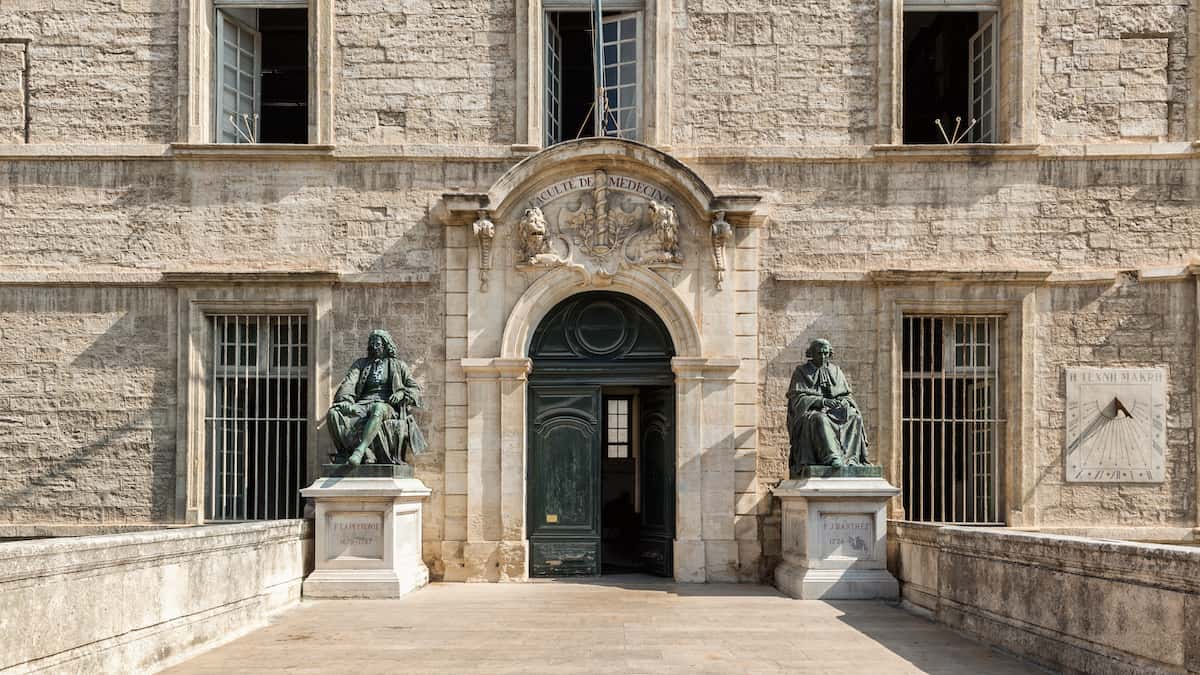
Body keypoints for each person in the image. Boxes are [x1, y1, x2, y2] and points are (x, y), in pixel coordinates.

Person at [326, 329, 427, 466]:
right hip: (362, 404)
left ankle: (360, 451)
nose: (374, 346)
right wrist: (345, 401)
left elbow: (415, 389)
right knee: (334, 413)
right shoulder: (361, 364)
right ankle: (365, 451)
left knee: (377, 408)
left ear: (386, 345)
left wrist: (402, 393)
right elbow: (349, 383)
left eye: (378, 344)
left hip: (387, 406)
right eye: (372, 343)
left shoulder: (398, 365)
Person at [786, 339, 869, 474]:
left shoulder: (836, 371)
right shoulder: (801, 372)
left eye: (826, 353)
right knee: (819, 419)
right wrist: (822, 402)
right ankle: (832, 457)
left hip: (835, 411)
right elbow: (797, 399)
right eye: (819, 353)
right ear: (811, 354)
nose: (823, 357)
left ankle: (850, 460)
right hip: (812, 413)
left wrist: (843, 402)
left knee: (854, 417)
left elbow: (847, 395)